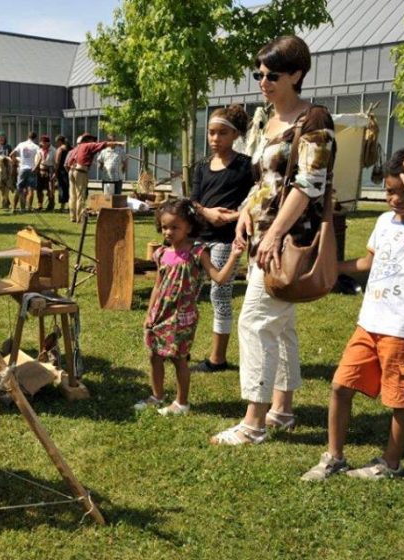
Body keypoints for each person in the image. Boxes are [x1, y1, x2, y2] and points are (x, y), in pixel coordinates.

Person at [211, 36, 336, 445]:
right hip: (263, 235)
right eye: (259, 73)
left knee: (255, 321)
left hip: (288, 240)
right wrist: (246, 211)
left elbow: (308, 184)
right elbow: (265, 180)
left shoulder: (314, 120)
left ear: (297, 74)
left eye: (272, 74)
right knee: (281, 326)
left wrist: (277, 232)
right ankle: (281, 409)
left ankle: (254, 421)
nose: (263, 81)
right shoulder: (268, 120)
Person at [301, 148, 404, 481]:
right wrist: (332, 270)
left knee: (400, 400)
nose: (394, 199)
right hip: (369, 324)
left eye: (403, 191)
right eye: (389, 191)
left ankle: (390, 464)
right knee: (341, 386)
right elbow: (369, 262)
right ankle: (334, 456)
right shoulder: (384, 222)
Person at [135, 199, 244, 414]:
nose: (168, 232)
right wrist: (150, 313)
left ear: (189, 227)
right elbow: (158, 285)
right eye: (165, 227)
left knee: (179, 359)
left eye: (175, 227)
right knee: (154, 355)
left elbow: (219, 278)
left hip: (182, 316)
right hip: (160, 314)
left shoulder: (197, 252)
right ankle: (157, 396)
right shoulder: (161, 254)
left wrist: (234, 256)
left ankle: (181, 403)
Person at [190, 105, 254, 372]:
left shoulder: (246, 166)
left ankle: (218, 358)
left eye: (222, 133)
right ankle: (180, 346)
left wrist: (233, 217)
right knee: (187, 292)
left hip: (227, 241)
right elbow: (193, 201)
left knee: (220, 293)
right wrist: (207, 212)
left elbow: (256, 199)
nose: (215, 139)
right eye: (211, 133)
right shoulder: (202, 167)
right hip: (198, 239)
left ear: (235, 135)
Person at [68, 133, 126, 222]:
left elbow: (69, 162)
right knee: (81, 195)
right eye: (93, 140)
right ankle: (80, 218)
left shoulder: (77, 147)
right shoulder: (88, 145)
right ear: (88, 140)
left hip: (72, 170)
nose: (94, 142)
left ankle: (72, 217)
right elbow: (105, 144)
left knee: (73, 195)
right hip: (80, 171)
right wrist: (120, 143)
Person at [9, 131, 39, 213]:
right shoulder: (36, 146)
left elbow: (11, 154)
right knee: (31, 189)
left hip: (22, 168)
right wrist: (36, 167)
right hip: (31, 168)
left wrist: (15, 162)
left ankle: (14, 208)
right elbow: (40, 157)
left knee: (19, 189)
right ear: (35, 138)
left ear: (28, 137)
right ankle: (28, 208)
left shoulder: (21, 144)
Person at [33, 135, 56, 211]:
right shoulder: (39, 151)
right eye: (41, 143)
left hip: (50, 170)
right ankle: (40, 205)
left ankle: (51, 205)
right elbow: (36, 161)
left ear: (48, 143)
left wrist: (54, 173)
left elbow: (55, 163)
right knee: (39, 189)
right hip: (40, 171)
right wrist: (37, 169)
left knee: (50, 189)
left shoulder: (53, 150)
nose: (42, 144)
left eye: (44, 143)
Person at [0, 131, 13, 209]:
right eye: (0, 137)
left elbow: (11, 155)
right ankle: (6, 200)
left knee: (7, 185)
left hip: (7, 168)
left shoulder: (8, 146)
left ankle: (5, 202)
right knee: (0, 186)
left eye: (3, 137)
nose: (1, 139)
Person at [54, 135, 71, 212]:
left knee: (62, 188)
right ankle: (70, 206)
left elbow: (57, 162)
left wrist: (55, 172)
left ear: (59, 141)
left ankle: (62, 206)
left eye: (57, 142)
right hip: (69, 170)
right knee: (69, 188)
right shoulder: (71, 148)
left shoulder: (60, 149)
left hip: (62, 171)